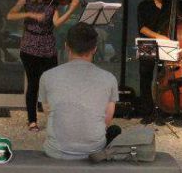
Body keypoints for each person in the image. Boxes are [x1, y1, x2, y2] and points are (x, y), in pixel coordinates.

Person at [7, 0, 81, 131]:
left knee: (53, 82)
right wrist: (30, 15)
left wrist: (71, 9)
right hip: (29, 45)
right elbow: (10, 15)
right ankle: (32, 120)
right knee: (33, 83)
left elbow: (57, 23)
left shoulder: (53, 0)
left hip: (48, 45)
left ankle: (55, 118)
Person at [38, 22, 121, 160]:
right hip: (94, 151)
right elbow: (107, 117)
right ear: (94, 49)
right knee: (115, 131)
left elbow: (48, 111)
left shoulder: (47, 76)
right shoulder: (109, 78)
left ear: (66, 46)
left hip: (56, 151)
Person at [137, 0, 182, 123]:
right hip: (149, 44)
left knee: (165, 79)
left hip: (169, 46)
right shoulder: (143, 6)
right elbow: (142, 28)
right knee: (145, 77)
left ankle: (164, 110)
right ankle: (147, 112)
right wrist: (160, 37)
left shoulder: (173, 3)